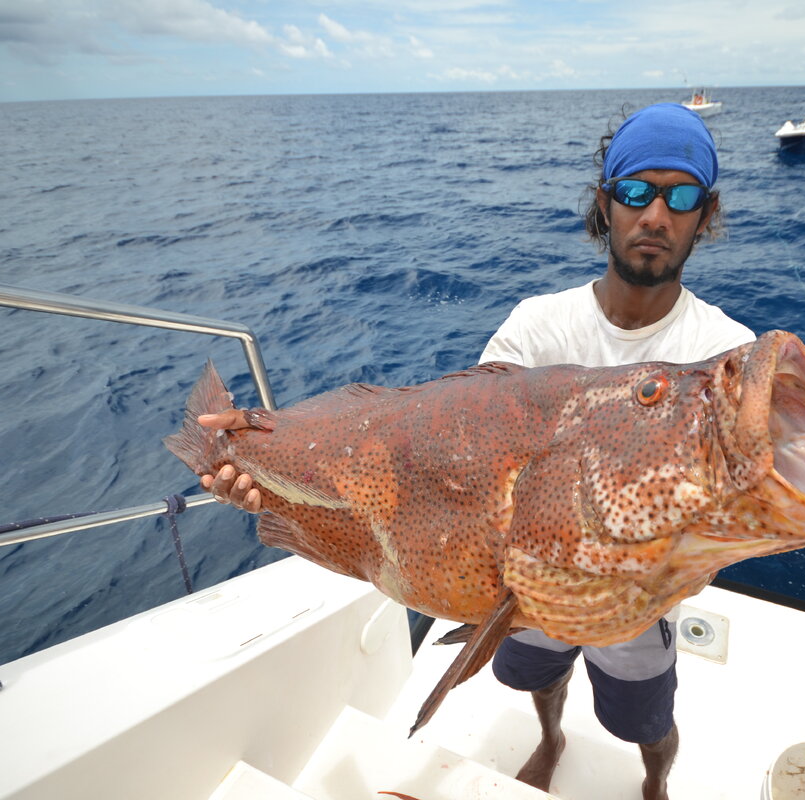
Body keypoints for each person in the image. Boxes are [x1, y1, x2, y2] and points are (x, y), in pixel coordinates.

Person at [197, 103, 755, 800]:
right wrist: (266, 477)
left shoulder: (724, 357)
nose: (656, 215)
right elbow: (454, 458)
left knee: (648, 718)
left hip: (641, 597)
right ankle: (550, 738)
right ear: (606, 204)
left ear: (705, 215)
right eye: (637, 192)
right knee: (536, 675)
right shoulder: (536, 325)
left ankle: (654, 781)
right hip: (519, 578)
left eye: (682, 197)